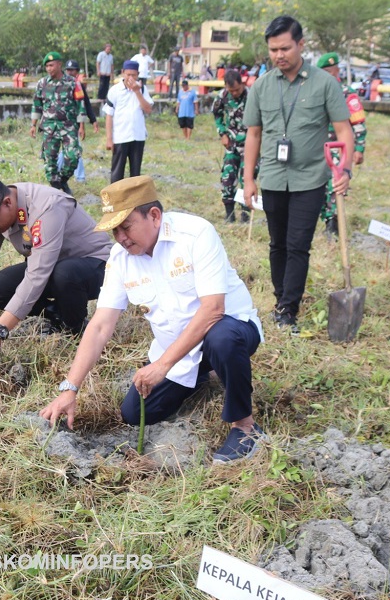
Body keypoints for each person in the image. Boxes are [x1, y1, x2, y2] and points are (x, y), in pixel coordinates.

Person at [38, 176, 267, 464]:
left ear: (154, 216)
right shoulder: (120, 259)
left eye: (126, 226)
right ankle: (201, 376)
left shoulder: (196, 234)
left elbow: (213, 309)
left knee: (221, 339)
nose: (121, 237)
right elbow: (99, 326)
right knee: (134, 414)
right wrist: (70, 388)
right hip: (178, 351)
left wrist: (162, 366)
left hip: (230, 329)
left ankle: (245, 427)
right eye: (114, 230)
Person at [242, 15, 354, 334]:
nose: (279, 55)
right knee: (277, 243)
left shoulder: (324, 84)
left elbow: (344, 130)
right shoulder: (262, 86)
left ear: (301, 45)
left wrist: (345, 169)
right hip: (274, 178)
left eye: (285, 48)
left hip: (311, 178)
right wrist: (249, 179)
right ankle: (281, 299)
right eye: (274, 50)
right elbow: (254, 135)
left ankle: (288, 309)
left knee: (298, 244)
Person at [0, 171, 111, 356]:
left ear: (8, 203)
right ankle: (57, 315)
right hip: (51, 267)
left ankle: (75, 327)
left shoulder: (47, 207)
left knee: (65, 273)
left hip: (95, 266)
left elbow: (36, 276)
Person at [316, 52, 368, 238]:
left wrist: (359, 148)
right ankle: (326, 219)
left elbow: (358, 124)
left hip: (339, 148)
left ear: (337, 71)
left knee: (335, 185)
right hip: (318, 148)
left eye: (332, 72)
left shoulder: (347, 94)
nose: (329, 76)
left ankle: (333, 224)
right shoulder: (316, 92)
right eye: (325, 72)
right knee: (319, 186)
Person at [30, 51, 83, 195]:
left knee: (72, 157)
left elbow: (80, 104)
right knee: (49, 161)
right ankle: (55, 188)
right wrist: (33, 125)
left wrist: (82, 126)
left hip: (68, 127)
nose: (49, 69)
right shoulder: (42, 83)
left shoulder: (72, 82)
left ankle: (63, 180)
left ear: (59, 64)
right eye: (47, 66)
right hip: (49, 128)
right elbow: (37, 104)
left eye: (51, 65)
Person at [211, 71, 250, 223]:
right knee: (228, 178)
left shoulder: (252, 96)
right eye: (231, 90)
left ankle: (245, 215)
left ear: (242, 84)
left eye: (237, 90)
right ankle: (229, 214)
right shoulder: (222, 96)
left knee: (247, 179)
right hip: (231, 145)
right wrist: (222, 133)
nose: (234, 93)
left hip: (249, 146)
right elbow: (217, 115)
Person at [104, 60, 153, 182]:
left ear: (138, 75)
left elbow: (148, 109)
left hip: (138, 136)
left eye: (134, 75)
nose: (131, 77)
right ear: (122, 73)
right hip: (121, 136)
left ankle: (134, 199)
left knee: (135, 173)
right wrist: (109, 139)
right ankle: (115, 198)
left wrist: (137, 91)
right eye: (128, 74)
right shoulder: (115, 90)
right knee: (117, 172)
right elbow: (109, 115)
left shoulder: (142, 89)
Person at [59, 59, 97, 183]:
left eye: (72, 70)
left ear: (77, 72)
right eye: (68, 70)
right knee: (64, 149)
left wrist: (92, 121)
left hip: (73, 124)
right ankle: (59, 173)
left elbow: (85, 104)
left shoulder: (78, 86)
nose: (70, 72)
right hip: (60, 123)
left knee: (75, 149)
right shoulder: (60, 85)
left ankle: (79, 177)